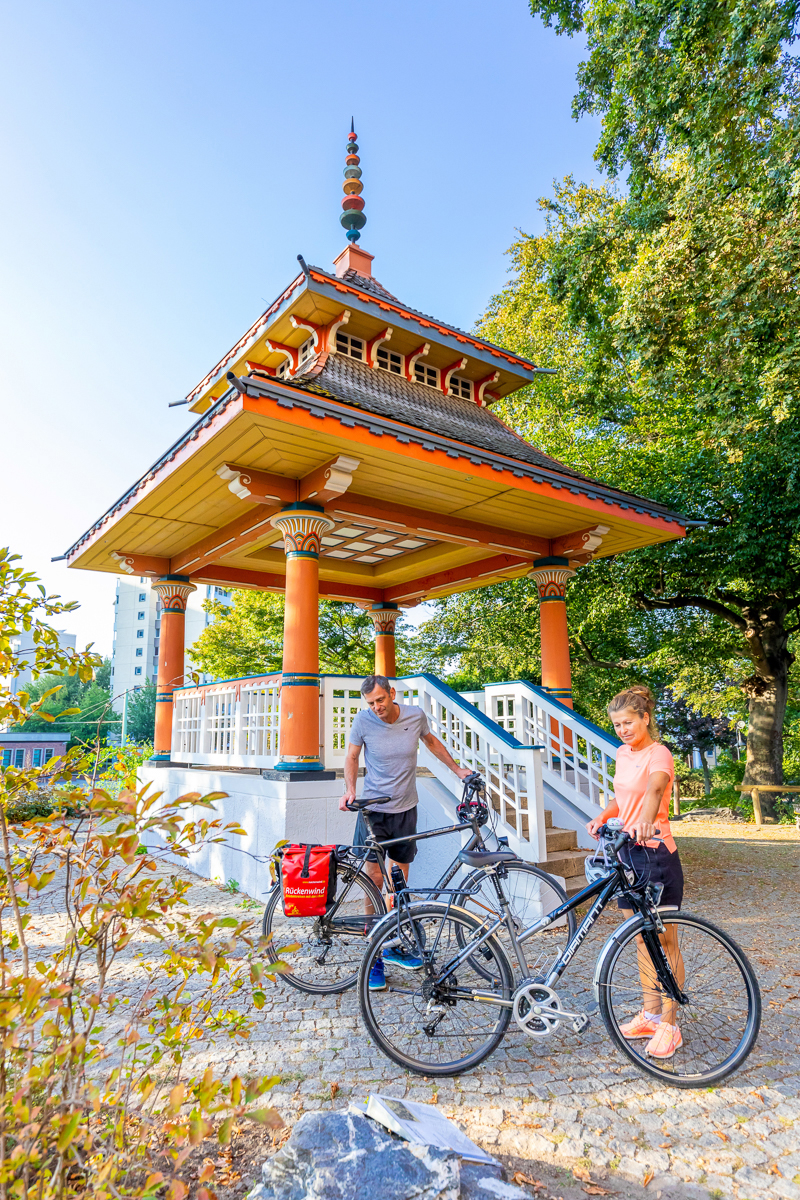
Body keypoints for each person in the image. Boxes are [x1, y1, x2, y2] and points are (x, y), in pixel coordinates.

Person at [339, 674, 472, 991]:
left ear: (392, 694)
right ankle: (374, 959)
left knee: (398, 884)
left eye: (380, 700)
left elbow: (431, 742)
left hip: (404, 810)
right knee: (373, 882)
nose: (376, 708)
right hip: (373, 810)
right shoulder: (363, 720)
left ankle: (394, 943)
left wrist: (457, 770)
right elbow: (352, 755)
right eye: (371, 703)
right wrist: (350, 789)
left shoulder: (414, 716)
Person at [587, 685, 685, 1060]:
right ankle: (650, 1013)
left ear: (645, 718)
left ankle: (670, 1024)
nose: (623, 730)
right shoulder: (622, 753)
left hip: (656, 852)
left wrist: (644, 821)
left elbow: (655, 791)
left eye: (628, 722)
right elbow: (623, 795)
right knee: (640, 938)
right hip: (627, 851)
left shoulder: (659, 753)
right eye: (617, 725)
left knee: (665, 941)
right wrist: (605, 815)